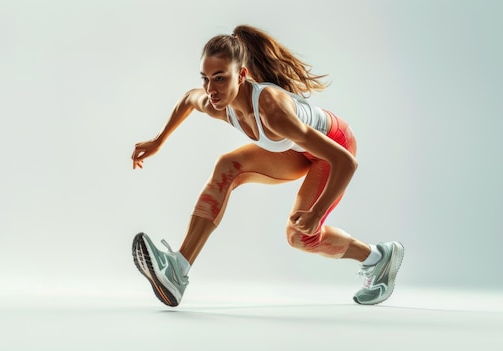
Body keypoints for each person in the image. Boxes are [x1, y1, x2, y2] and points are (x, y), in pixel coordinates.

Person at [130, 24, 404, 307]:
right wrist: (158, 140)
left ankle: (379, 257)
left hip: (334, 146)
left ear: (243, 75)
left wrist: (317, 211)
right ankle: (178, 269)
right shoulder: (217, 104)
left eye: (221, 79)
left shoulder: (272, 112)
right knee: (227, 165)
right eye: (206, 78)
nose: (211, 89)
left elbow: (345, 162)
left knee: (300, 237)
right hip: (297, 150)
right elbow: (189, 99)